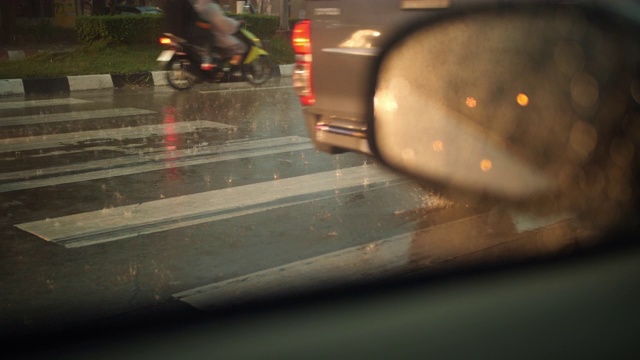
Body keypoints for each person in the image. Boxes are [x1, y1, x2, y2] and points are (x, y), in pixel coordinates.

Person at [189, 0, 247, 70]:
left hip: (200, 36)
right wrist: (236, 23)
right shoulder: (211, 7)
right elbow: (222, 23)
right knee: (241, 47)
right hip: (215, 36)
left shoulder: (197, 5)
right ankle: (230, 70)